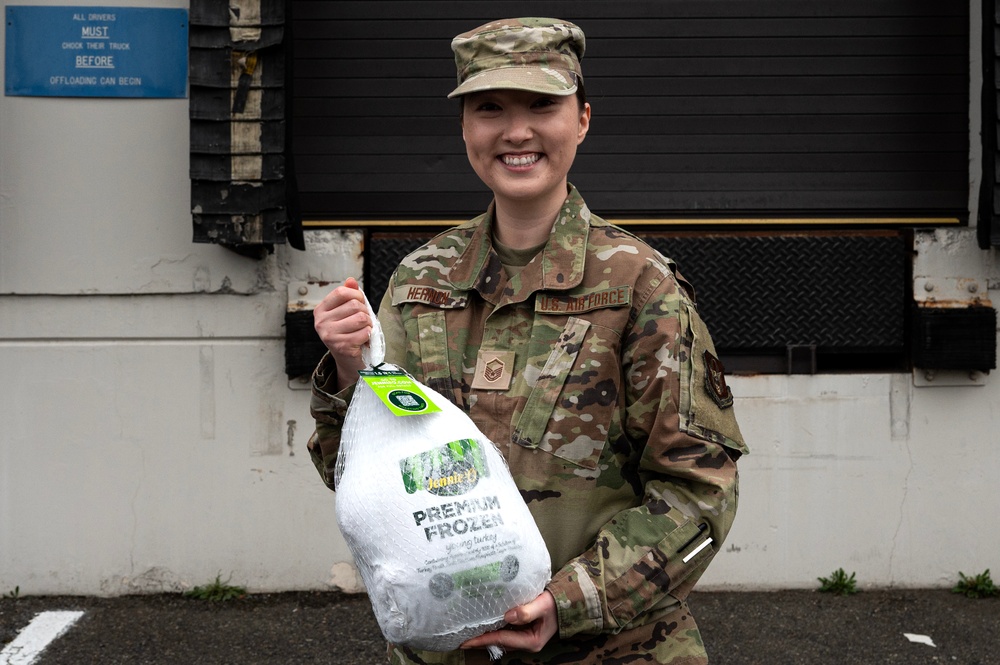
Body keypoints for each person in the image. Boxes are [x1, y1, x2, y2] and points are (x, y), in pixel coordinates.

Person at [308, 17, 748, 665]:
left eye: (542, 104)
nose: (516, 131)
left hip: (613, 645)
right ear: (466, 130)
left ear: (583, 119)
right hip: (452, 645)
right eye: (490, 108)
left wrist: (569, 600)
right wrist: (350, 372)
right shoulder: (420, 281)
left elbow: (699, 490)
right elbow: (362, 478)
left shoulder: (639, 285)